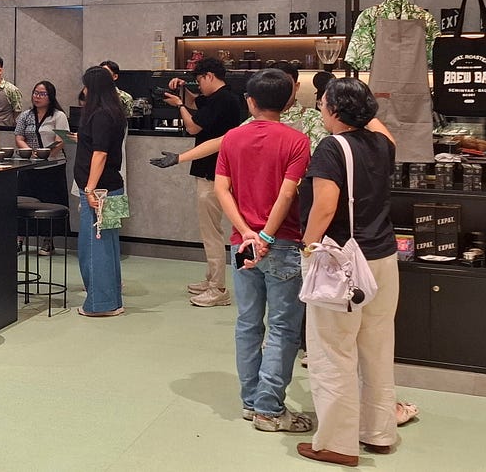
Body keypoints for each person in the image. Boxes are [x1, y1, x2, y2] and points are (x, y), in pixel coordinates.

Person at [297, 77, 401, 467]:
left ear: (335, 111)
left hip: (343, 261)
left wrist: (308, 246)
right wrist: (358, 96)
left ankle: (337, 443)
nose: (320, 109)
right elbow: (379, 126)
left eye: (323, 103)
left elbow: (325, 207)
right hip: (383, 258)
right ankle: (378, 432)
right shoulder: (382, 145)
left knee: (332, 351)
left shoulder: (330, 149)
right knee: (377, 345)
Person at [214, 69, 313, 434]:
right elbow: (288, 194)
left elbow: (222, 190)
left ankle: (250, 401)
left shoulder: (232, 139)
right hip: (282, 243)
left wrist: (246, 233)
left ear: (250, 101)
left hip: (242, 244)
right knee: (284, 328)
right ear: (288, 101)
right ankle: (269, 410)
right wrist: (267, 237)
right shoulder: (297, 140)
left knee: (247, 324)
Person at [164, 57, 245, 307]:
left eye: (199, 80)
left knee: (211, 231)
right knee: (210, 229)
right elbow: (197, 102)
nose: (198, 86)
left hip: (214, 172)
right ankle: (212, 278)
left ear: (209, 76)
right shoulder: (223, 97)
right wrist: (182, 92)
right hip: (214, 170)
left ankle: (218, 287)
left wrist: (179, 105)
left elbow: (193, 127)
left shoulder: (224, 100)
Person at [75, 66, 127, 317]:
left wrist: (90, 188)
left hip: (102, 190)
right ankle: (112, 298)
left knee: (96, 246)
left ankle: (101, 304)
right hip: (113, 186)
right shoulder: (113, 112)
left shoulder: (101, 115)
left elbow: (101, 153)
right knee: (109, 244)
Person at [15, 81, 70, 252]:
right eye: (35, 93)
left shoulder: (58, 116)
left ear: (51, 97)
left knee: (51, 202)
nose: (37, 97)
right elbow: (19, 136)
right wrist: (29, 151)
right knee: (22, 201)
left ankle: (48, 241)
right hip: (29, 165)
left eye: (42, 94)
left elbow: (62, 140)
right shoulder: (26, 115)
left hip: (53, 165)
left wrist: (46, 153)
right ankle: (19, 239)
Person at [275, 62, 327, 153]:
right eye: (275, 85)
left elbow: (320, 159)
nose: (281, 90)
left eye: (286, 85)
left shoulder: (314, 118)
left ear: (297, 86)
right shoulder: (252, 122)